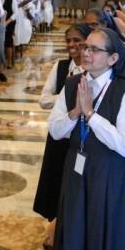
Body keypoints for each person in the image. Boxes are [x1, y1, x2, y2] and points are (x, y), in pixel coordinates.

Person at [47, 28, 125, 250]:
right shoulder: (72, 84)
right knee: (74, 234)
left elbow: (123, 145)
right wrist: (76, 111)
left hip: (112, 176)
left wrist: (90, 114)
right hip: (77, 171)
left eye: (94, 49)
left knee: (107, 238)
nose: (86, 53)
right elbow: (55, 130)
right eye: (85, 47)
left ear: (113, 58)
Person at [34, 23, 91, 223]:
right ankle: (55, 222)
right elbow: (43, 100)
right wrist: (68, 95)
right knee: (56, 178)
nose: (72, 45)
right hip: (61, 132)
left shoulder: (93, 69)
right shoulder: (60, 67)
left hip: (82, 134)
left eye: (77, 40)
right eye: (68, 40)